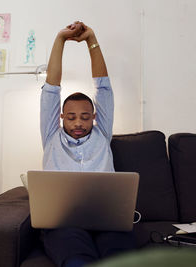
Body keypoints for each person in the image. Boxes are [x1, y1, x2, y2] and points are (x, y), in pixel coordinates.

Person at [40, 21, 136, 267]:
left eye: (85, 117)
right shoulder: (52, 136)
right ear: (61, 118)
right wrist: (60, 39)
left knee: (121, 259)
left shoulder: (102, 133)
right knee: (76, 260)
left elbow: (103, 87)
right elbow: (51, 89)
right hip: (64, 223)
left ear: (94, 117)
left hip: (107, 220)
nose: (78, 123)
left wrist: (91, 39)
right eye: (71, 117)